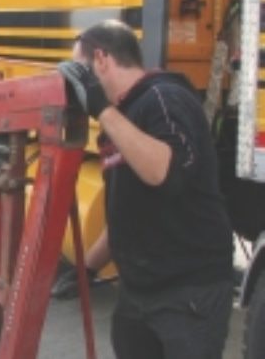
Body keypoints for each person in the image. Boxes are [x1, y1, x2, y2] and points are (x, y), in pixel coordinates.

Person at [57, 19, 234, 359]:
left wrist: (101, 108)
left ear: (101, 60)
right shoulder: (117, 121)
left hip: (188, 292)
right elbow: (127, 215)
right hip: (139, 293)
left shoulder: (165, 98)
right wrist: (85, 270)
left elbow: (164, 173)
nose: (78, 87)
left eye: (81, 72)